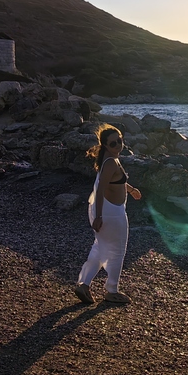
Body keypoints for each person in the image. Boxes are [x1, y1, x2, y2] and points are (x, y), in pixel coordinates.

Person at [74, 124, 141, 306]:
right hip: (111, 213)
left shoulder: (108, 159)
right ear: (105, 145)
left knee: (100, 247)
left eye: (120, 140)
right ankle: (112, 291)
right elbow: (101, 189)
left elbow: (114, 181)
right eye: (113, 143)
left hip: (106, 211)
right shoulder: (110, 162)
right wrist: (99, 216)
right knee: (117, 250)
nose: (118, 145)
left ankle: (84, 285)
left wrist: (131, 189)